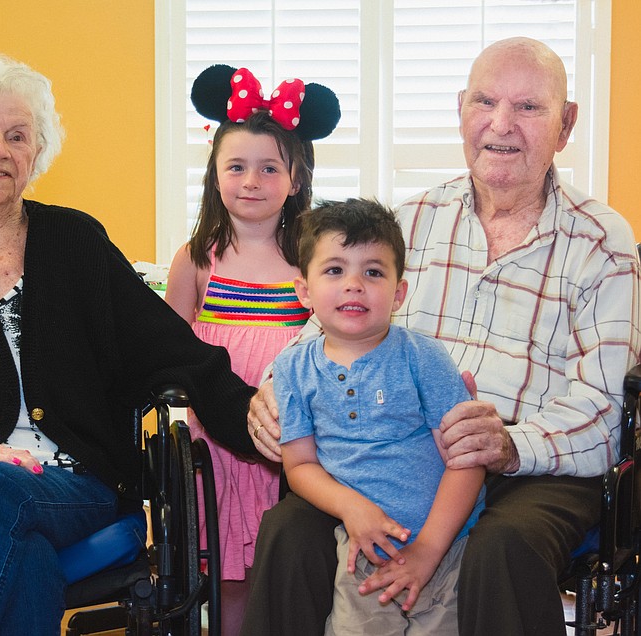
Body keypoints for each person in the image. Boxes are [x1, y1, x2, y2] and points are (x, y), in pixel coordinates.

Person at [241, 37, 641, 636]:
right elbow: (319, 332)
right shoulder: (409, 221)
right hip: (389, 457)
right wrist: (272, 396)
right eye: (485, 101)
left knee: (502, 546)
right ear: (461, 110)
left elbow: (604, 409)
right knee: (288, 533)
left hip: (532, 468)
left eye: (529, 107)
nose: (501, 125)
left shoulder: (603, 244)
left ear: (566, 124)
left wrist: (510, 444)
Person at [0, 54, 260, 636]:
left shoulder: (76, 241)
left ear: (35, 155)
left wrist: (251, 413)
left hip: (69, 485)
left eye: (18, 136)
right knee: (22, 551)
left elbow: (171, 346)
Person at [164, 64, 339, 634]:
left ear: (296, 178)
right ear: (214, 175)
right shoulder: (197, 258)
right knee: (230, 569)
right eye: (236, 166)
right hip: (215, 440)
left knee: (285, 560)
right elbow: (167, 346)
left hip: (298, 438)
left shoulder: (311, 260)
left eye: (270, 168)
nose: (251, 180)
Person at [275, 199, 484, 635]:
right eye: (334, 270)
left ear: (399, 292)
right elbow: (299, 465)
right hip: (362, 550)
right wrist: (352, 508)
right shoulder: (293, 369)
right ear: (303, 291)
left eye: (373, 271)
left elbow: (467, 459)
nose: (354, 284)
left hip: (447, 545)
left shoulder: (422, 356)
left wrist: (428, 548)